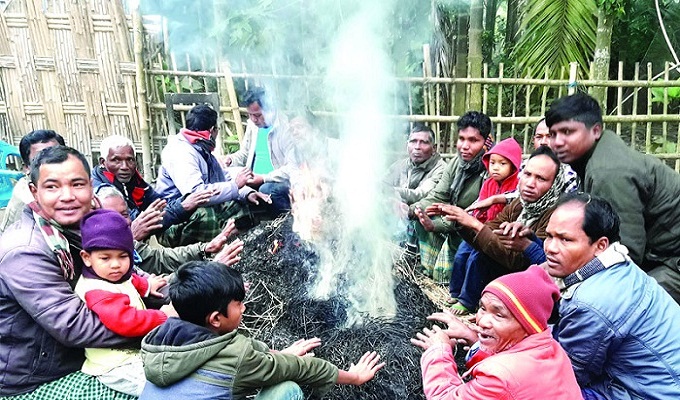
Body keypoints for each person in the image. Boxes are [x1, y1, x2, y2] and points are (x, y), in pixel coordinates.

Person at [0, 145, 135, 399]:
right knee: (148, 389)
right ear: (34, 191)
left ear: (91, 187)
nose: (67, 196)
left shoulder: (83, 230)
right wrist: (157, 322)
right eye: (52, 187)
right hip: (35, 381)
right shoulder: (25, 250)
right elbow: (74, 326)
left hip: (78, 358)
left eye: (77, 184)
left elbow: (131, 278)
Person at [139, 261, 385, 399]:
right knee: (287, 391)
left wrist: (279, 354)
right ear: (215, 319)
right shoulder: (239, 356)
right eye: (238, 304)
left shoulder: (161, 339)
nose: (244, 308)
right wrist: (354, 377)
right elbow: (305, 368)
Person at [545, 92, 680, 303]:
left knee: (620, 304)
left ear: (596, 130)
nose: (557, 142)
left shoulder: (608, 172)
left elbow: (624, 254)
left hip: (671, 263)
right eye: (553, 134)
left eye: (567, 132)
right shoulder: (596, 157)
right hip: (660, 256)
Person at [543, 193, 680, 399]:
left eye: (565, 239)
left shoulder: (590, 301)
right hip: (662, 380)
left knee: (535, 385)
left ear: (600, 245)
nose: (551, 248)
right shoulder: (617, 262)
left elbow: (569, 374)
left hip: (649, 394)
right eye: (549, 236)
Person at [432, 146, 569, 315]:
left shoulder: (556, 215)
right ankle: (463, 296)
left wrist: (474, 225)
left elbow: (520, 262)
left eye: (541, 179)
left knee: (482, 254)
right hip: (513, 272)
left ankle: (471, 301)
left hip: (534, 286)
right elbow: (491, 229)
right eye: (527, 174)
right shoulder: (520, 204)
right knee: (475, 249)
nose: (530, 183)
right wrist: (460, 221)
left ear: (555, 184)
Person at [411, 266, 582, 399]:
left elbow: (443, 397)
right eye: (482, 308)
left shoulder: (500, 378)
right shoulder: (552, 348)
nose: (482, 321)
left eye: (499, 315)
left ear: (528, 325)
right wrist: (472, 338)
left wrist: (439, 351)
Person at [75, 209, 175, 396]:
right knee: (157, 389)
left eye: (123, 256)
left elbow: (129, 279)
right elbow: (126, 321)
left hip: (132, 352)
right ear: (86, 258)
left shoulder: (111, 275)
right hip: (115, 364)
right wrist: (163, 316)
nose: (116, 264)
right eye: (105, 258)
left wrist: (146, 284)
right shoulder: (96, 291)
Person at [155, 104, 270, 246]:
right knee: (207, 215)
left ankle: (239, 244)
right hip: (171, 223)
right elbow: (195, 194)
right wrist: (235, 186)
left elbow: (223, 178)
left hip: (191, 211)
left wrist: (247, 192)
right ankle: (205, 252)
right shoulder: (180, 152)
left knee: (240, 205)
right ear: (212, 130)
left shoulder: (201, 146)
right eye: (217, 129)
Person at [410, 111, 492, 283]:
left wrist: (436, 225)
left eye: (473, 140)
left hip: (475, 233)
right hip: (455, 222)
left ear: (487, 142)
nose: (464, 146)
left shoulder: (491, 171)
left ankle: (451, 279)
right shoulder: (456, 163)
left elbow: (473, 216)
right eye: (461, 139)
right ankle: (429, 271)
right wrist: (411, 210)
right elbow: (437, 195)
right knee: (420, 216)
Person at [96, 184, 244, 276]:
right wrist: (211, 270)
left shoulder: (129, 245)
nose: (121, 222)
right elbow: (163, 290)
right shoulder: (104, 260)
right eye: (112, 217)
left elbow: (160, 258)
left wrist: (204, 248)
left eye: (124, 215)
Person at [92, 135, 214, 245]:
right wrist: (182, 206)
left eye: (130, 160)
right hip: (121, 246)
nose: (124, 167)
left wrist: (185, 202)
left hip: (143, 239)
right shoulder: (103, 192)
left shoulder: (135, 181)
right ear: (103, 162)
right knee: (203, 215)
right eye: (116, 160)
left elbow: (159, 202)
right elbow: (139, 222)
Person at [446, 137, 521, 309]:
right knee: (461, 254)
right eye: (492, 162)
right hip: (481, 227)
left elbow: (517, 201)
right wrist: (466, 215)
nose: (495, 167)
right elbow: (479, 203)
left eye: (502, 163)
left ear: (514, 166)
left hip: (498, 233)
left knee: (475, 258)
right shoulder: (488, 183)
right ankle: (455, 292)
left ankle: (467, 300)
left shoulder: (517, 185)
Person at [224, 87, 296, 215]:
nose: (253, 119)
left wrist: (263, 178)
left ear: (270, 109)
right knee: (227, 182)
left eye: (257, 115)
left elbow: (292, 167)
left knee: (267, 188)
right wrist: (231, 160)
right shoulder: (253, 126)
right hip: (254, 179)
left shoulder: (286, 129)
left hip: (278, 181)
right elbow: (245, 153)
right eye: (250, 115)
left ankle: (286, 226)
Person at [0, 129, 64, 233]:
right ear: (27, 168)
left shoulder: (68, 182)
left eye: (57, 155)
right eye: (41, 159)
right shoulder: (27, 199)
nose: (52, 162)